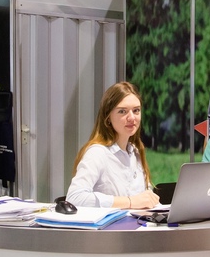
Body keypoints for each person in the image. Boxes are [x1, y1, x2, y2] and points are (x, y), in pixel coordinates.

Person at [66, 82, 159, 210]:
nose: (132, 117)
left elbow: (143, 199)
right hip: (112, 223)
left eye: (136, 110)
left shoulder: (135, 151)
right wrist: (130, 202)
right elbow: (75, 197)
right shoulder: (97, 153)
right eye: (122, 111)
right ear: (108, 117)